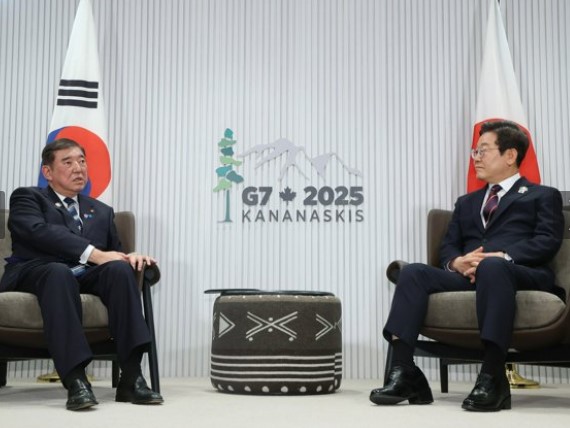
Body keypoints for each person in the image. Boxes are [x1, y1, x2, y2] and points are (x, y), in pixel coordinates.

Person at [369, 121, 564, 412]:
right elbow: (449, 245)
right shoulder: (467, 202)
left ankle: (492, 376)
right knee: (412, 272)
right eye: (475, 151)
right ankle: (404, 371)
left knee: (493, 267)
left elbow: (547, 241)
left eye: (483, 150)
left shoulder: (542, 195)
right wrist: (455, 262)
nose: (476, 157)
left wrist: (502, 257)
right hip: (470, 275)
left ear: (510, 155)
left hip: (519, 273)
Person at [0, 138, 164, 410]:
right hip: (36, 270)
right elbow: (37, 232)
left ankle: (132, 377)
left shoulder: (101, 211)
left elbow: (112, 254)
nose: (78, 168)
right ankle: (76, 379)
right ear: (48, 172)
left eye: (82, 161)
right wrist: (94, 254)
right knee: (58, 273)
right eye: (68, 162)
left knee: (120, 271)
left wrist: (130, 257)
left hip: (85, 275)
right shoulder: (28, 197)